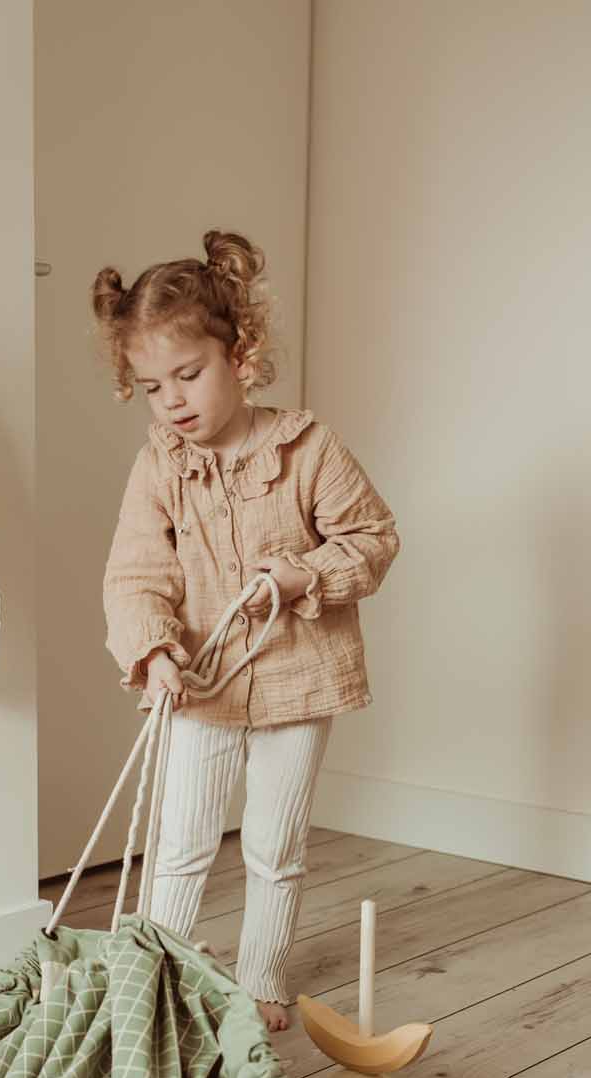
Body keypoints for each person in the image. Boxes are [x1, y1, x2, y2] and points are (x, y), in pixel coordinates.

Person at [92, 229, 399, 1032]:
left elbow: (371, 539)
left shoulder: (308, 447)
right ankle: (153, 977)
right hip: (200, 687)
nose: (173, 402)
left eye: (188, 375)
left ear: (242, 353)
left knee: (274, 845)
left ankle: (262, 980)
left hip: (300, 681)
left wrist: (305, 574)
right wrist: (154, 651)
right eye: (152, 387)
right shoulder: (160, 466)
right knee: (181, 841)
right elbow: (135, 574)